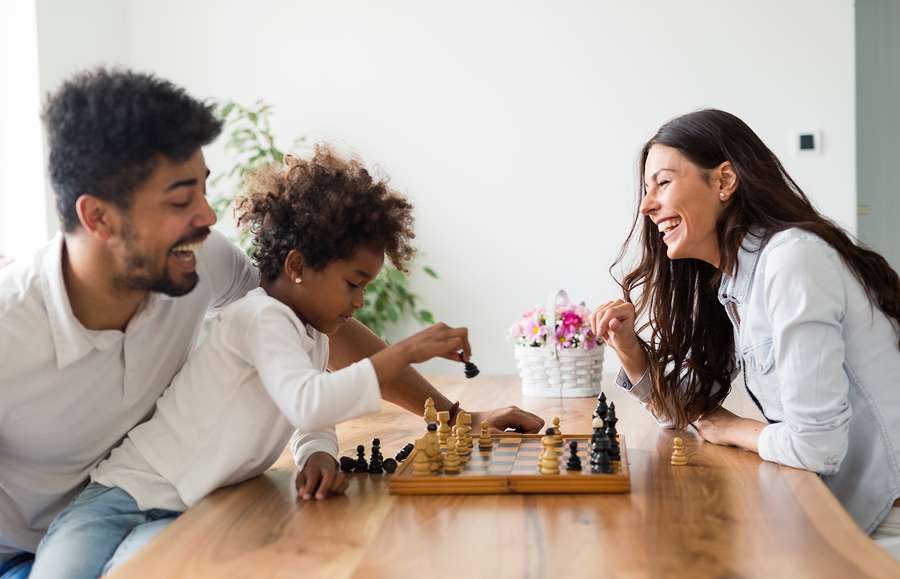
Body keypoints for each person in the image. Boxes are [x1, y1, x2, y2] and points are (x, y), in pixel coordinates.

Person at [0, 67, 543, 578]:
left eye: (204, 188)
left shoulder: (200, 260)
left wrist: (453, 419)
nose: (210, 217)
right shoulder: (10, 323)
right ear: (98, 217)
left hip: (163, 509)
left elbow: (314, 335)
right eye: (181, 199)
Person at [28, 145, 472, 578]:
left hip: (183, 508)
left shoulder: (310, 333)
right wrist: (406, 351)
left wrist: (317, 453)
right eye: (353, 284)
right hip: (120, 495)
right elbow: (308, 402)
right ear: (297, 264)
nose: (358, 301)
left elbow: (308, 412)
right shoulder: (260, 316)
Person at [590, 109, 900, 546]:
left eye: (662, 182)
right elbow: (685, 413)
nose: (646, 205)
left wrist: (731, 427)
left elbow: (816, 446)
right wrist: (627, 348)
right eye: (645, 189)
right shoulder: (737, 282)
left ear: (724, 182)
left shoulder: (792, 260)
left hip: (882, 524)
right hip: (833, 513)